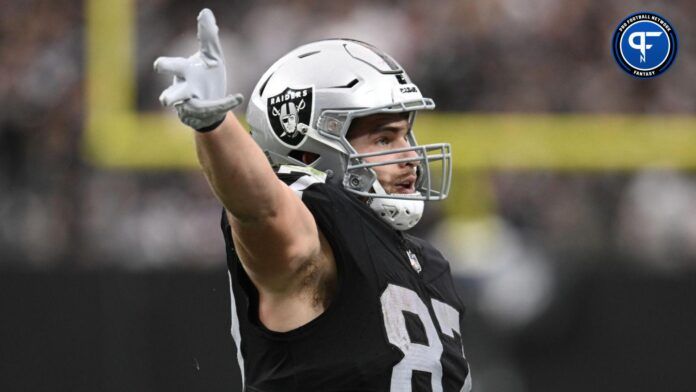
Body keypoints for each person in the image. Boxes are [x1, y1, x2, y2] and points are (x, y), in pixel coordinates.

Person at [155, 8, 471, 392]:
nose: (408, 156)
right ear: (308, 153)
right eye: (384, 139)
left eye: (405, 136)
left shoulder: (428, 262)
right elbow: (263, 211)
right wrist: (215, 126)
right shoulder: (316, 233)